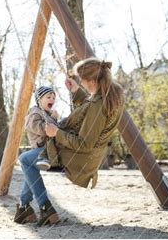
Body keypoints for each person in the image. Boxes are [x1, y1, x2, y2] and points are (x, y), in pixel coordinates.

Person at [14, 58, 124, 226]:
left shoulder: (99, 105)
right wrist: (77, 92)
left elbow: (85, 143)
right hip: (78, 153)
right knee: (30, 160)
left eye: (82, 80)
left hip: (78, 157)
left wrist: (57, 132)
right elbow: (87, 113)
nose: (81, 82)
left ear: (92, 81)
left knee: (25, 159)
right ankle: (24, 208)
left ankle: (45, 207)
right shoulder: (106, 96)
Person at [25, 86, 60, 171]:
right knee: (25, 161)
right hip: (40, 145)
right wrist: (53, 119)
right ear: (39, 100)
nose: (52, 99)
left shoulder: (47, 114)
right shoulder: (35, 113)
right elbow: (40, 129)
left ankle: (54, 163)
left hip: (46, 145)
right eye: (48, 97)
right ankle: (52, 163)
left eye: (53, 98)